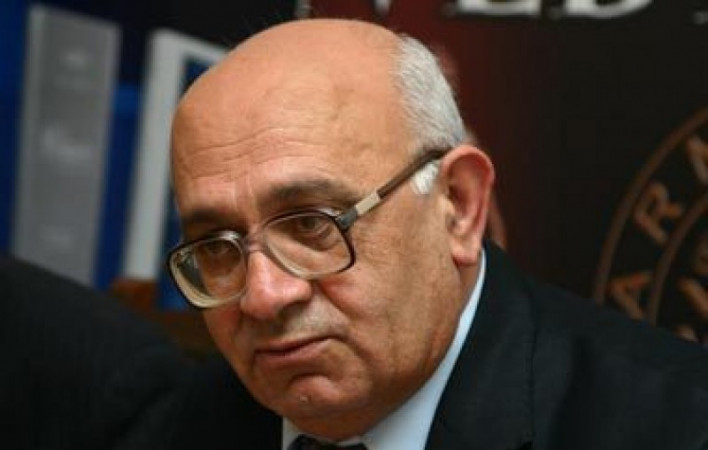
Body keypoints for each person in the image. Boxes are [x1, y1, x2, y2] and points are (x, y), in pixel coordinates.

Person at [165, 18, 708, 450]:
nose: (263, 296)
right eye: (216, 246)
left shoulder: (675, 425)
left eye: (312, 225)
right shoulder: (180, 425)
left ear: (460, 206)